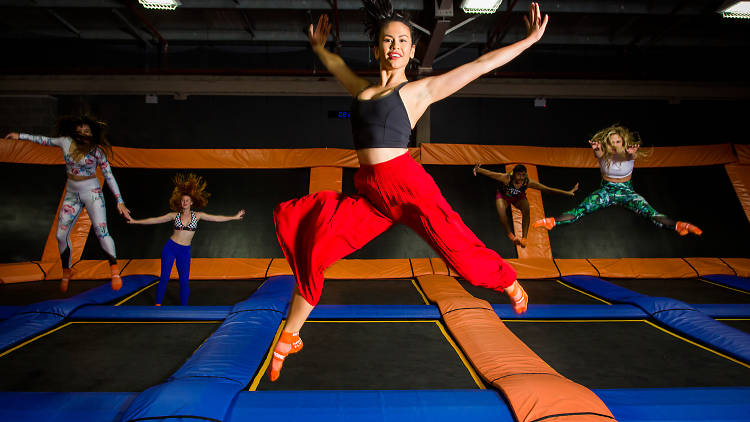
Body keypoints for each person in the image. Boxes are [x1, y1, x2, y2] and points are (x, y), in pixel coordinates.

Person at [269, 0, 549, 381]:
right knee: (318, 242)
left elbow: (480, 66)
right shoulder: (363, 94)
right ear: (377, 48)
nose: (395, 46)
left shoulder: (419, 91)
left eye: (402, 41)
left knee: (459, 252)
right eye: (387, 40)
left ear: (412, 51)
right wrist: (320, 49)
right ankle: (291, 334)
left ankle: (509, 282)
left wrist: (529, 40)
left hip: (406, 184)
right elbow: (339, 69)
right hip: (370, 192)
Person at [5, 116, 131, 292]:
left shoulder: (97, 152)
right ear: (74, 132)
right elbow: (43, 140)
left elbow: (109, 176)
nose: (82, 134)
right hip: (72, 193)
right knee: (60, 235)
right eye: (80, 131)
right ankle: (67, 269)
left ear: (92, 133)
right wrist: (20, 136)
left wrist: (120, 201)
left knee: (101, 232)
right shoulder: (65, 142)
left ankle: (114, 270)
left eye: (86, 131)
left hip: (92, 192)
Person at [533, 124, 702, 236]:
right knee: (582, 209)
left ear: (623, 142)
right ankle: (552, 222)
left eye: (618, 141)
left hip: (626, 192)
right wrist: (597, 149)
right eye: (612, 142)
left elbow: (631, 155)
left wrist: (631, 152)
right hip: (606, 191)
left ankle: (680, 226)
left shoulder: (628, 154)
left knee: (651, 213)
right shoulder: (603, 154)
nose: (614, 145)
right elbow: (598, 154)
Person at [126, 173, 244, 306]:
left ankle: (184, 308)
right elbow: (154, 220)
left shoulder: (198, 216)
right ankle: (157, 305)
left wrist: (234, 217)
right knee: (164, 278)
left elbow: (216, 218)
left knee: (184, 280)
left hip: (184, 250)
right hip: (170, 248)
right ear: (180, 202)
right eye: (183, 200)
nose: (184, 202)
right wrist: (135, 221)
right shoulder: (173, 215)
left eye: (187, 201)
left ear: (191, 203)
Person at [473, 163, 578, 247]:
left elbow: (547, 189)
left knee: (527, 208)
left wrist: (568, 192)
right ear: (514, 174)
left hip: (518, 198)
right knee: (501, 211)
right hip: (503, 196)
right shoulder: (506, 178)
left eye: (523, 175)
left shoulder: (527, 182)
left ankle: (524, 238)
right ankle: (511, 235)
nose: (521, 177)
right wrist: (478, 169)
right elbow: (491, 174)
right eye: (519, 175)